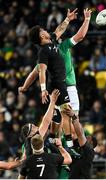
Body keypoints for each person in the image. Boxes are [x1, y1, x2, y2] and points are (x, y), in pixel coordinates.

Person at [19, 8, 92, 151]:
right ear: (41, 37)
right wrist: (87, 19)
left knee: (62, 118)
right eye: (43, 31)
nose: (48, 31)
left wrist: (24, 87)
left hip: (60, 86)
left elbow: (34, 72)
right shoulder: (60, 48)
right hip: (66, 85)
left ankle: (60, 144)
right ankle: (75, 147)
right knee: (71, 118)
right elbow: (81, 35)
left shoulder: (51, 46)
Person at [21, 89, 60, 157]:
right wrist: (52, 102)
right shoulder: (34, 139)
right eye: (32, 128)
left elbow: (24, 159)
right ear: (29, 135)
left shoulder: (25, 145)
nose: (35, 126)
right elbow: (46, 121)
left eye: (33, 125)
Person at [63, 107, 97, 179]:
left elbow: (80, 134)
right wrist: (69, 116)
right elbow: (75, 132)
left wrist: (74, 116)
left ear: (91, 143)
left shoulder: (89, 151)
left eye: (87, 137)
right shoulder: (78, 145)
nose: (85, 137)